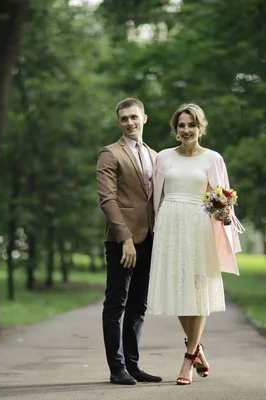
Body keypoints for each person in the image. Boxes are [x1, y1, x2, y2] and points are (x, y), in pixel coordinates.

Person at [147, 103, 243, 385]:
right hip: (169, 224)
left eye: (191, 125)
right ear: (175, 130)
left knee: (198, 289)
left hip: (198, 226)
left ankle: (188, 359)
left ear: (201, 127)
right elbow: (155, 195)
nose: (186, 130)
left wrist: (224, 212)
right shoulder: (163, 157)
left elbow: (222, 197)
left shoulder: (213, 158)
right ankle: (198, 347)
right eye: (181, 125)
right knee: (178, 288)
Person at [96, 98, 163, 385]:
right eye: (124, 119)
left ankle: (133, 366)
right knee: (116, 303)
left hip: (150, 238)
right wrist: (125, 239)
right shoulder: (109, 153)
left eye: (134, 117)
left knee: (139, 304)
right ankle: (117, 368)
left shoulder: (156, 155)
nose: (130, 122)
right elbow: (107, 200)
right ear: (119, 122)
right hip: (122, 242)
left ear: (144, 118)